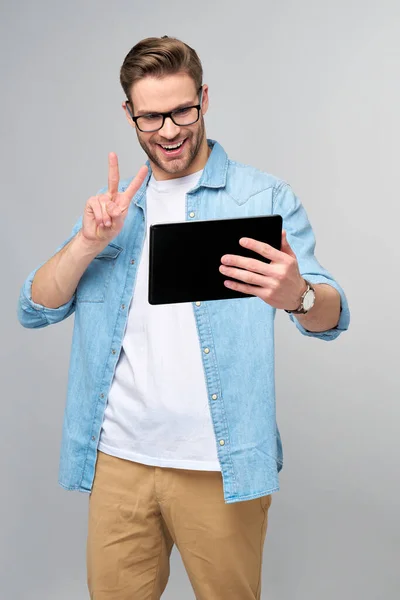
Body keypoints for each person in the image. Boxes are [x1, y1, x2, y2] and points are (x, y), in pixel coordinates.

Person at [18, 35, 350, 600]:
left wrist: (298, 294)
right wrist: (86, 245)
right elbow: (35, 309)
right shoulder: (113, 209)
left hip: (217, 465)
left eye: (182, 110)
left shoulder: (262, 196)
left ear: (203, 99)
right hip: (119, 461)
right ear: (129, 114)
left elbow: (331, 316)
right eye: (151, 117)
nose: (169, 130)